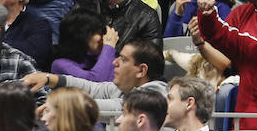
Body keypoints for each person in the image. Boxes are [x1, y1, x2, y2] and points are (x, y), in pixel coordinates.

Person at [25, 38, 167, 116]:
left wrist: (60, 106)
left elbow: (118, 107)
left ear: (141, 71)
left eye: (123, 60)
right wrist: (48, 78)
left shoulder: (155, 97)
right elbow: (93, 88)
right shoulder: (125, 88)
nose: (114, 62)